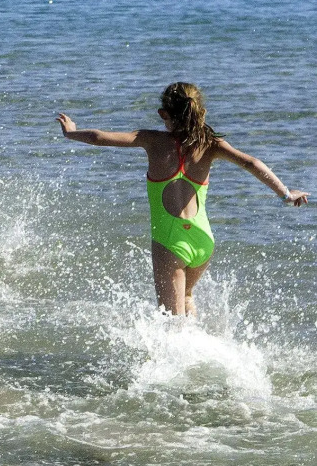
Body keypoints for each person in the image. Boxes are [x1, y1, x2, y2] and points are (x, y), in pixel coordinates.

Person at [57, 82, 307, 316]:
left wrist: (71, 133)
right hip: (203, 241)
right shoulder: (211, 144)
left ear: (163, 114)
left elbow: (99, 137)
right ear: (202, 112)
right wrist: (285, 193)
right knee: (186, 296)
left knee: (171, 323)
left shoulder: (151, 140)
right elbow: (251, 163)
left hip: (170, 242)